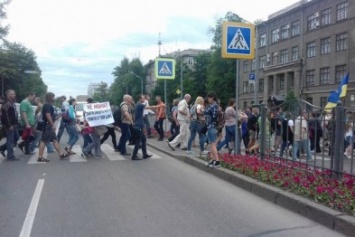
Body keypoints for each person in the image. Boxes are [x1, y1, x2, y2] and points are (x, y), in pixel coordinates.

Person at [37, 92, 69, 162]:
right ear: (50, 98)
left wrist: (59, 116)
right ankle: (40, 157)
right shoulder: (48, 105)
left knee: (54, 140)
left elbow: (51, 116)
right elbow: (48, 115)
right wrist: (52, 124)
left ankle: (61, 154)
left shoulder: (47, 105)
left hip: (49, 125)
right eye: (53, 97)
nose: (54, 98)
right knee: (43, 140)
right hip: (48, 125)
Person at [131, 94, 164, 160]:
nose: (144, 99)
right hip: (139, 125)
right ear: (140, 99)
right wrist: (161, 105)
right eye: (143, 98)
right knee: (138, 141)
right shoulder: (140, 105)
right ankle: (134, 156)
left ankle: (144, 154)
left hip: (138, 125)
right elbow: (150, 107)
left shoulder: (137, 105)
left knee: (143, 140)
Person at [0, 90, 19, 160]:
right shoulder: (6, 103)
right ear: (8, 95)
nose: (15, 95)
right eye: (13, 94)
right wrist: (9, 125)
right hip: (10, 125)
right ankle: (10, 156)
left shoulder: (11, 103)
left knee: (16, 138)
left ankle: (2, 148)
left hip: (14, 124)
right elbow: (5, 116)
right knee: (10, 140)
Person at [204, 92, 220, 168]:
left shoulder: (213, 106)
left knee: (213, 145)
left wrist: (205, 112)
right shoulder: (215, 106)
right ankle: (214, 160)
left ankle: (217, 161)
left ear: (212, 98)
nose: (208, 100)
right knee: (212, 144)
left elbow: (214, 116)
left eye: (209, 98)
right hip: (213, 127)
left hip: (211, 126)